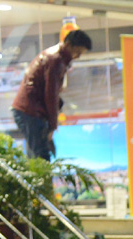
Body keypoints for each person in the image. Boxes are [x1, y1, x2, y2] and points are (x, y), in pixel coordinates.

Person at [11, 29, 92, 161]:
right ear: (68, 45)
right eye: (77, 52)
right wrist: (53, 126)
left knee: (37, 154)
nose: (77, 56)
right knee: (41, 156)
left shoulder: (54, 57)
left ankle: (37, 181)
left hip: (28, 110)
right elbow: (51, 94)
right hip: (30, 111)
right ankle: (42, 182)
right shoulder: (56, 60)